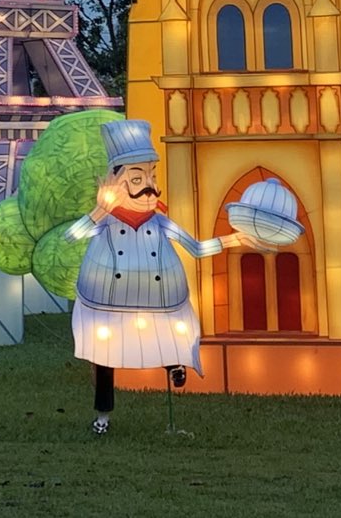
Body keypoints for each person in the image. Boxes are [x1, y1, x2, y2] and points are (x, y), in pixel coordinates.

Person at [68, 118, 257, 435]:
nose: (149, 185)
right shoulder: (105, 221)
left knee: (168, 336)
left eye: (152, 176)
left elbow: (195, 248)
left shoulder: (160, 222)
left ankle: (175, 365)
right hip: (108, 303)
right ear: (115, 183)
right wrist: (100, 211)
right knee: (104, 359)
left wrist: (232, 240)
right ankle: (103, 417)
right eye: (138, 177)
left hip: (159, 301)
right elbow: (72, 236)